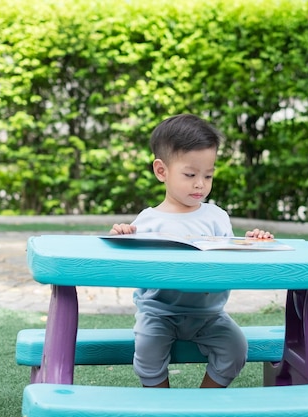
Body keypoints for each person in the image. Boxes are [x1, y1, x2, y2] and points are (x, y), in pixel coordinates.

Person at [110, 114, 274, 389]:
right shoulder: (147, 221)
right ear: (161, 171)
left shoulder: (217, 216)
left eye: (208, 175)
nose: (200, 184)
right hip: (159, 312)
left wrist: (252, 242)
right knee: (147, 351)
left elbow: (229, 257)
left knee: (236, 348)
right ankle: (162, 405)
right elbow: (129, 265)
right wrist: (124, 236)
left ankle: (202, 403)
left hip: (209, 314)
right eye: (190, 174)